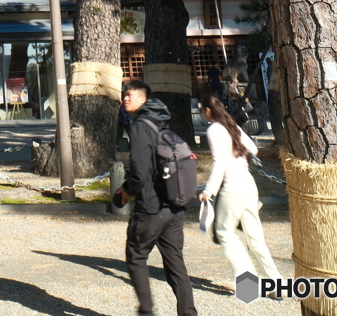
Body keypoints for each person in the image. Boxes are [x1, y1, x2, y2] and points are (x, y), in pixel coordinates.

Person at [116, 79, 197, 316]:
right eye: (124, 95)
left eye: (130, 95)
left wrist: (126, 192)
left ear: (144, 99)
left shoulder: (141, 126)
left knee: (136, 256)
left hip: (151, 208)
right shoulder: (161, 124)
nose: (125, 98)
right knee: (175, 263)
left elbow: (140, 173)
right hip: (174, 207)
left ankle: (147, 311)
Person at [198, 87, 280, 284]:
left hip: (232, 185)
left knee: (225, 232)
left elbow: (220, 162)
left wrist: (208, 190)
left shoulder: (214, 129)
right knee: (255, 239)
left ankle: (248, 282)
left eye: (202, 110)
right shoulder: (231, 125)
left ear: (208, 110)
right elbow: (253, 149)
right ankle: (275, 283)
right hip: (248, 183)